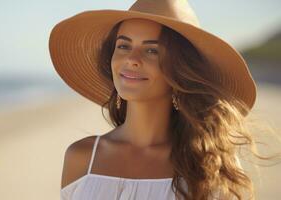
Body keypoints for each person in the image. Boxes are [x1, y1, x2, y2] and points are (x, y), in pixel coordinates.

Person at [49, 0, 274, 199]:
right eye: (124, 46)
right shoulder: (81, 158)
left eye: (152, 51)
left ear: (180, 68)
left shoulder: (210, 164)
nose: (132, 59)